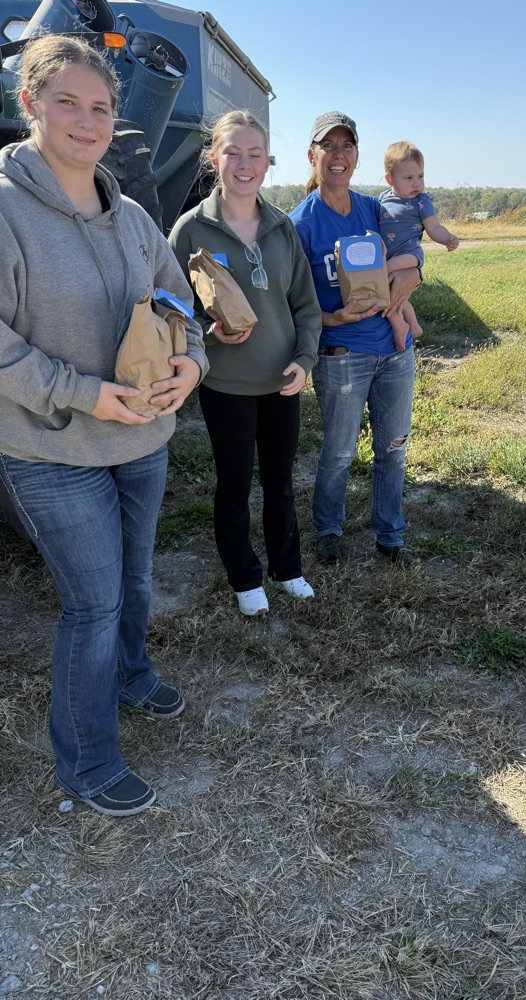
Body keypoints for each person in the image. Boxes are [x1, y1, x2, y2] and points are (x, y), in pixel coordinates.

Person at [0, 36, 207, 816]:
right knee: (92, 602)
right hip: (51, 447)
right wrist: (86, 395)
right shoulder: (5, 211)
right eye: (68, 103)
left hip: (143, 439)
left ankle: (130, 675)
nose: (87, 122)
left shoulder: (130, 216)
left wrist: (190, 364)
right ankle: (85, 761)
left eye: (101, 107)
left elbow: (177, 301)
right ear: (31, 105)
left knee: (135, 579)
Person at [170, 110, 321, 616]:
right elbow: (172, 314)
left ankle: (288, 567)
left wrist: (304, 360)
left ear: (268, 162)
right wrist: (209, 337)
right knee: (234, 484)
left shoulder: (282, 227)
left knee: (280, 481)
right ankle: (244, 576)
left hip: (282, 381)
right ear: (214, 159)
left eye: (255, 154)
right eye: (233, 151)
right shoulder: (191, 230)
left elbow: (305, 305)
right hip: (228, 385)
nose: (244, 163)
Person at [290, 112, 421, 567]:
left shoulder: (374, 209)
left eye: (347, 146)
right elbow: (294, 308)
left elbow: (409, 249)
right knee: (340, 451)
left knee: (394, 449)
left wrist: (415, 274)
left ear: (358, 155)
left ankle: (390, 535)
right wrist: (335, 318)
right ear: (313, 155)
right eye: (329, 146)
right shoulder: (300, 224)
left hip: (394, 352)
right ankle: (328, 529)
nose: (339, 154)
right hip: (341, 354)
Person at [379, 141, 459, 349]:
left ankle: (401, 328)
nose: (417, 183)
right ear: (390, 179)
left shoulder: (422, 202)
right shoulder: (383, 199)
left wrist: (447, 238)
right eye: (408, 178)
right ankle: (411, 326)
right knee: (390, 294)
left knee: (380, 279)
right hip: (390, 255)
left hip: (410, 255)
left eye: (420, 176)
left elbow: (433, 227)